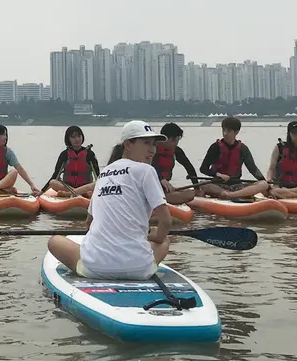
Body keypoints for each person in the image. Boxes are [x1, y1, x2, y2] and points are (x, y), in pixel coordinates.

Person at [46, 120, 173, 280]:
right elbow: (166, 221)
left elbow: (88, 223)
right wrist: (155, 236)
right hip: (139, 270)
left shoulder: (104, 174)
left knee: (54, 241)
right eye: (146, 143)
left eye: (154, 144)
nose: (152, 150)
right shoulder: (147, 170)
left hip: (95, 268)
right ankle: (138, 263)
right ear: (127, 145)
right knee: (165, 241)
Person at [226, 121, 297, 199]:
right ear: (289, 134)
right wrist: (269, 182)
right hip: (279, 186)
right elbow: (271, 168)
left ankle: (289, 194)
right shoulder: (280, 148)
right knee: (276, 191)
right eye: (294, 133)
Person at [195, 116, 267, 198]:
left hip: (237, 186)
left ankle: (231, 195)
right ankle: (228, 194)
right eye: (223, 130)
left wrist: (265, 182)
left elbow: (253, 169)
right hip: (218, 185)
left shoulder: (243, 148)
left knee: (263, 184)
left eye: (228, 131)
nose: (225, 133)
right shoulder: (215, 147)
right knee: (202, 183)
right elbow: (203, 168)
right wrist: (218, 174)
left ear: (236, 132)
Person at [44, 126, 100, 197]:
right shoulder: (64, 154)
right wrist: (41, 191)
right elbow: (55, 175)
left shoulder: (89, 154)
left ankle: (69, 194)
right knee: (53, 182)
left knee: (97, 183)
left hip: (85, 188)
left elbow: (98, 176)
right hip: (68, 187)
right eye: (73, 137)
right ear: (68, 139)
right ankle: (79, 194)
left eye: (79, 136)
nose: (77, 139)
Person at [151, 122, 199, 201]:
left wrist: (196, 187)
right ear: (174, 139)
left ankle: (170, 196)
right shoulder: (152, 149)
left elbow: (189, 167)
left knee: (190, 193)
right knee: (189, 195)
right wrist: (161, 179)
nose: (177, 143)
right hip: (151, 187)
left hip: (164, 188)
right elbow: (151, 165)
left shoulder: (176, 150)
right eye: (177, 140)